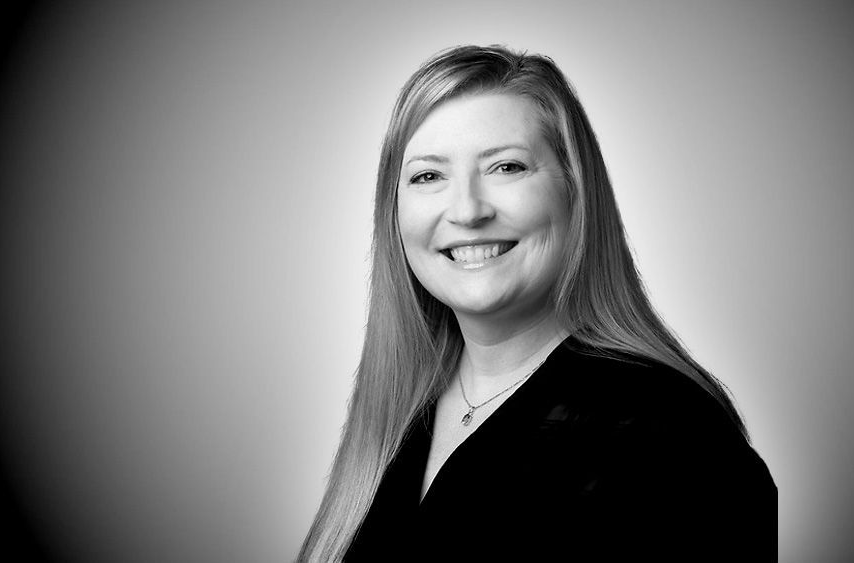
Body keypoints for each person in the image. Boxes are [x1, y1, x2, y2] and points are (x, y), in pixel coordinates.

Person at [298, 45, 776, 562]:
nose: (467, 210)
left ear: (575, 192)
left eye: (506, 166)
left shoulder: (674, 436)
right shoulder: (400, 414)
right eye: (428, 176)